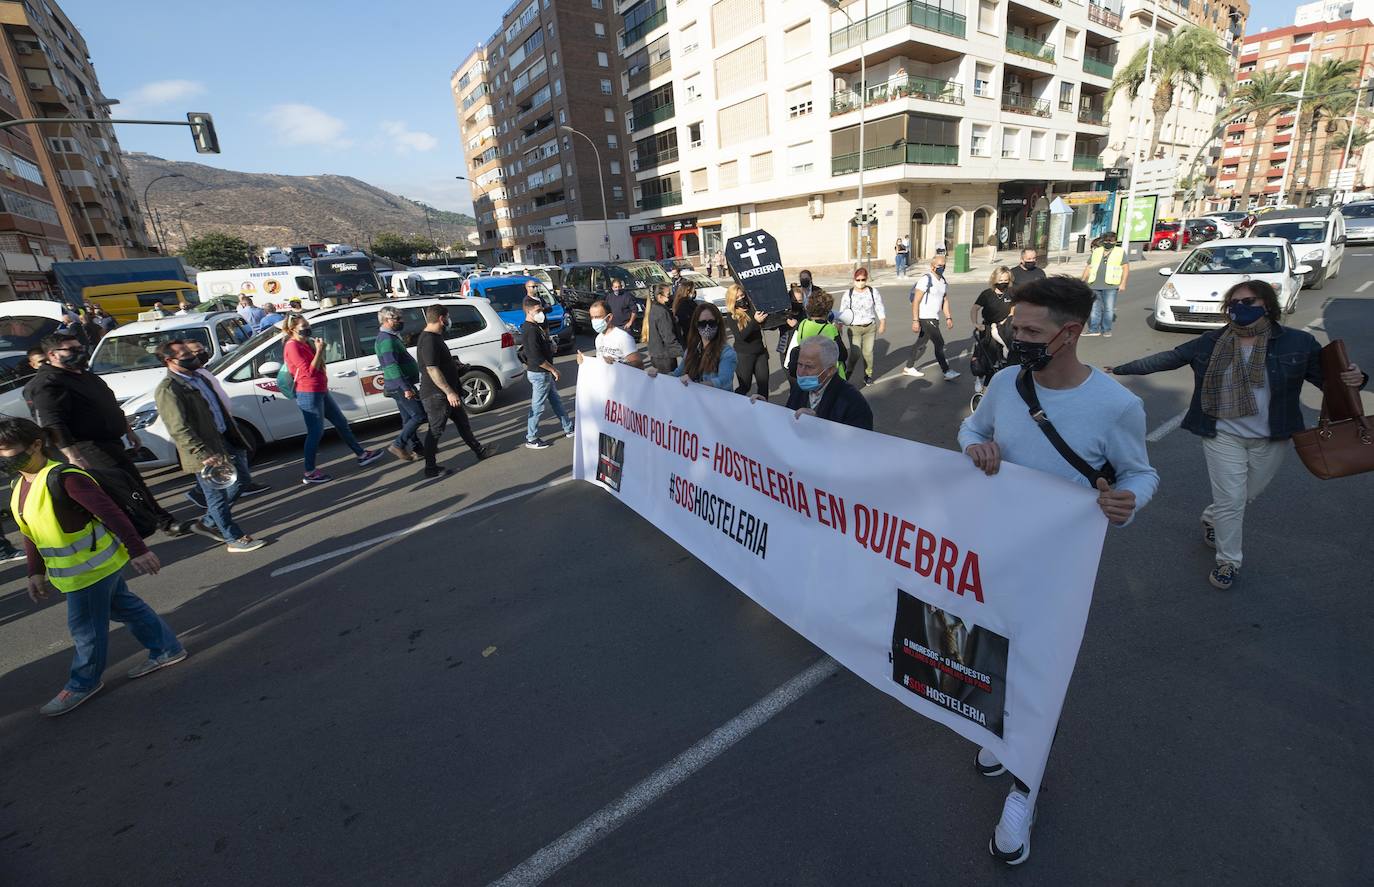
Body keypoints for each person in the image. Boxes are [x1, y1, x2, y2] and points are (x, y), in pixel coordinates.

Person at [958, 275, 1158, 865]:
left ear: (1069, 333)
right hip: (995, 552)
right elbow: (973, 429)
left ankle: (1023, 789)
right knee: (988, 652)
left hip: (1060, 568)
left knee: (1039, 677)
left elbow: (1140, 474)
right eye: (1013, 326)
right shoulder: (1003, 382)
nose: (1013, 336)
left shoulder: (1117, 405)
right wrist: (975, 447)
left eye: (1028, 330)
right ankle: (1001, 738)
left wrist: (1130, 500)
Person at [1106, 280, 1365, 590]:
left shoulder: (1298, 343)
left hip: (1273, 435)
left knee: (1244, 495)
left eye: (1249, 301)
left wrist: (1356, 379)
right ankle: (1228, 560)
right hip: (1221, 433)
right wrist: (1117, 369)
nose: (1240, 308)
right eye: (1234, 302)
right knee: (1232, 499)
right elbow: (1167, 358)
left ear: (1267, 305)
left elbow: (1330, 384)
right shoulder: (1211, 342)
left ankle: (1211, 516)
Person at [0, 416, 184, 718]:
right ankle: (167, 649)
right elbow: (29, 531)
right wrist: (34, 571)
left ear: (36, 444)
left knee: (85, 629)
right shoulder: (20, 483)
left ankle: (83, 682)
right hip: (80, 570)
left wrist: (138, 549)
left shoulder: (65, 477)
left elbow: (111, 513)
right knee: (125, 607)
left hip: (91, 569)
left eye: (6, 449)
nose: (2, 457)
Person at [28, 333, 182, 535]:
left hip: (111, 442)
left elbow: (108, 404)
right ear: (53, 355)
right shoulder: (49, 383)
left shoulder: (83, 374)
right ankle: (138, 532)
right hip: (88, 447)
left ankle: (161, 521)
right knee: (121, 490)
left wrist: (128, 430)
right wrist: (74, 456)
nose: (79, 352)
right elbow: (53, 423)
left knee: (134, 483)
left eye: (80, 347)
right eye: (71, 350)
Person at [153, 341, 265, 553]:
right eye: (184, 354)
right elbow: (178, 427)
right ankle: (233, 538)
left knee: (242, 481)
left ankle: (208, 522)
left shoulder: (200, 377)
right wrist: (203, 454)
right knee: (217, 496)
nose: (192, 356)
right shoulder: (169, 389)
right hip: (205, 451)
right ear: (169, 361)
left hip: (224, 439)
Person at [282, 315, 384, 484]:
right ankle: (309, 471)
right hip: (308, 393)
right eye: (304, 325)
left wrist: (319, 350)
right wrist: (320, 350)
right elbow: (308, 372)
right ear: (293, 328)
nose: (307, 327)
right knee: (316, 432)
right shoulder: (292, 346)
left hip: (320, 390)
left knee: (341, 422)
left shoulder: (304, 342)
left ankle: (361, 454)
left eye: (307, 324)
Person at [180, 340, 270, 507]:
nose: (201, 353)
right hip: (216, 428)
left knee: (239, 453)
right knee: (231, 459)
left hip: (225, 422)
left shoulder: (202, 372)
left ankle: (213, 496)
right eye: (196, 351)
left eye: (202, 349)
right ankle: (214, 507)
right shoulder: (192, 378)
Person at [416, 304, 496, 478]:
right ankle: (430, 468)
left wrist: (455, 366)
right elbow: (431, 369)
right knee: (435, 430)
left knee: (463, 423)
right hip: (437, 395)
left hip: (448, 393)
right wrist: (449, 392)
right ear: (441, 318)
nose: (449, 320)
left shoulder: (434, 337)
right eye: (448, 317)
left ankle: (480, 451)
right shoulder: (429, 339)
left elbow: (440, 364)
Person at [783, 336, 873, 430]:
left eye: (809, 367)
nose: (801, 372)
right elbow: (787, 420)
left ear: (830, 370)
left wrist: (819, 424)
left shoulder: (853, 402)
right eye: (800, 364)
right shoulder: (799, 389)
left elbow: (860, 441)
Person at [521, 295, 575, 450]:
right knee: (537, 407)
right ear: (529, 311)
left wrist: (550, 347)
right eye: (538, 310)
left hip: (542, 374)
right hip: (540, 374)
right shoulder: (530, 330)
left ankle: (568, 428)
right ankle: (531, 438)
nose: (541, 313)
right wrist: (553, 369)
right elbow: (536, 357)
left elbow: (539, 349)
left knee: (556, 401)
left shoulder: (535, 327)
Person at [646, 301, 737, 389]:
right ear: (696, 325)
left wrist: (696, 385)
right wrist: (658, 376)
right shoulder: (692, 350)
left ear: (718, 323)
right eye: (702, 323)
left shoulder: (726, 352)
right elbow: (677, 373)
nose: (707, 327)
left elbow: (724, 381)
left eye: (711, 323)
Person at [375, 306, 425, 462]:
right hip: (399, 385)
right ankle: (398, 444)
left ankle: (417, 448)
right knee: (419, 415)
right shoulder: (386, 340)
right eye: (397, 319)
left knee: (408, 417)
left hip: (399, 384)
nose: (401, 321)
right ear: (386, 320)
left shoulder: (391, 336)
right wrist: (405, 388)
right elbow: (391, 365)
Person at [904, 256, 960, 381]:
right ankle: (946, 371)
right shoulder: (926, 279)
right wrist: (915, 320)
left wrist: (948, 317)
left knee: (921, 342)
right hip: (925, 317)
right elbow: (916, 301)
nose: (942, 268)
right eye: (939, 265)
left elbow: (944, 301)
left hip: (934, 317)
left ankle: (909, 367)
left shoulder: (943, 281)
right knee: (939, 343)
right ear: (932, 266)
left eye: (944, 265)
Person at [970, 266, 1015, 397]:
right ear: (994, 279)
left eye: (1006, 280)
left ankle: (988, 386)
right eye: (1001, 280)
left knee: (1000, 359)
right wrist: (976, 324)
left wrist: (1006, 320)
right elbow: (974, 309)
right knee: (987, 356)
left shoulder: (1011, 293)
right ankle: (979, 377)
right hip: (988, 328)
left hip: (1003, 327)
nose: (1003, 283)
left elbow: (1013, 309)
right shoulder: (987, 294)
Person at [838, 267, 886, 385]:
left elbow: (879, 306)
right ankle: (848, 372)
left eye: (863, 279)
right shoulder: (848, 294)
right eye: (858, 280)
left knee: (868, 353)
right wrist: (839, 325)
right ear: (854, 279)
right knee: (855, 353)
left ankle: (868, 374)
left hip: (870, 327)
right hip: (854, 328)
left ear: (866, 279)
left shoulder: (872, 291)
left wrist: (882, 322)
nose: (860, 282)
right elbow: (842, 311)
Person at [786, 290, 847, 381]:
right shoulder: (830, 328)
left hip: (809, 374)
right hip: (829, 376)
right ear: (827, 310)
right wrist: (838, 331)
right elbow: (842, 354)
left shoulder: (803, 323)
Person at [1081, 231, 1128, 338]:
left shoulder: (1120, 252)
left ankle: (1106, 329)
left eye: (1111, 241)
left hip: (1111, 285)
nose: (1109, 243)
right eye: (1107, 241)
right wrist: (1082, 280)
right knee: (1094, 308)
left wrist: (1123, 283)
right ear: (1103, 241)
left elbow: (1125, 268)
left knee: (1108, 308)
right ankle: (1093, 329)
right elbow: (1089, 266)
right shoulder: (1097, 251)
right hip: (1094, 284)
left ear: (1115, 241)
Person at [727, 284, 770, 398]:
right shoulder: (731, 316)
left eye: (742, 295)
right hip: (744, 355)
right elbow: (741, 336)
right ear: (732, 300)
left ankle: (763, 410)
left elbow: (765, 325)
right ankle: (736, 406)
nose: (741, 299)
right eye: (737, 297)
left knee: (764, 386)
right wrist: (755, 321)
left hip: (760, 353)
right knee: (745, 386)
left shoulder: (753, 309)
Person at [579, 299, 644, 367]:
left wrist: (616, 364)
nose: (594, 320)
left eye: (597, 317)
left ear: (609, 317)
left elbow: (639, 364)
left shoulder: (623, 337)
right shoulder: (598, 338)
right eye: (592, 317)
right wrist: (585, 361)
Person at [646, 284, 684, 373]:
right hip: (665, 356)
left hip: (656, 354)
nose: (670, 297)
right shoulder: (662, 312)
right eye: (668, 295)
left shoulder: (654, 309)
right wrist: (682, 353)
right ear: (660, 296)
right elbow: (668, 336)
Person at [671, 279, 699, 343]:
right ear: (688, 291)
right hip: (691, 336)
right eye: (693, 290)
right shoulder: (685, 304)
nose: (695, 292)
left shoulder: (680, 302)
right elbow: (687, 321)